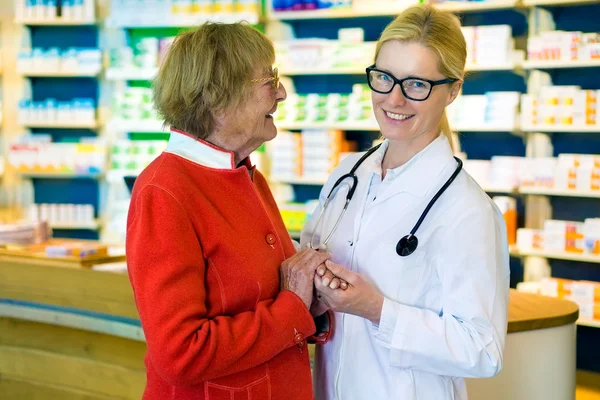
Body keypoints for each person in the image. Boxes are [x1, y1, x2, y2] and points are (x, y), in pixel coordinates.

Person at [301, 5, 511, 399]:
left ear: (453, 89)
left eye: (416, 84)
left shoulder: (466, 209)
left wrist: (378, 309)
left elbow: (484, 349)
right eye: (384, 78)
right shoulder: (348, 173)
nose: (393, 98)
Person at [126, 22, 337, 400]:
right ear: (217, 96)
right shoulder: (164, 190)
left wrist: (313, 299)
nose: (282, 93)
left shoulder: (247, 175)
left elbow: (271, 296)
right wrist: (292, 309)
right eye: (269, 80)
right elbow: (180, 354)